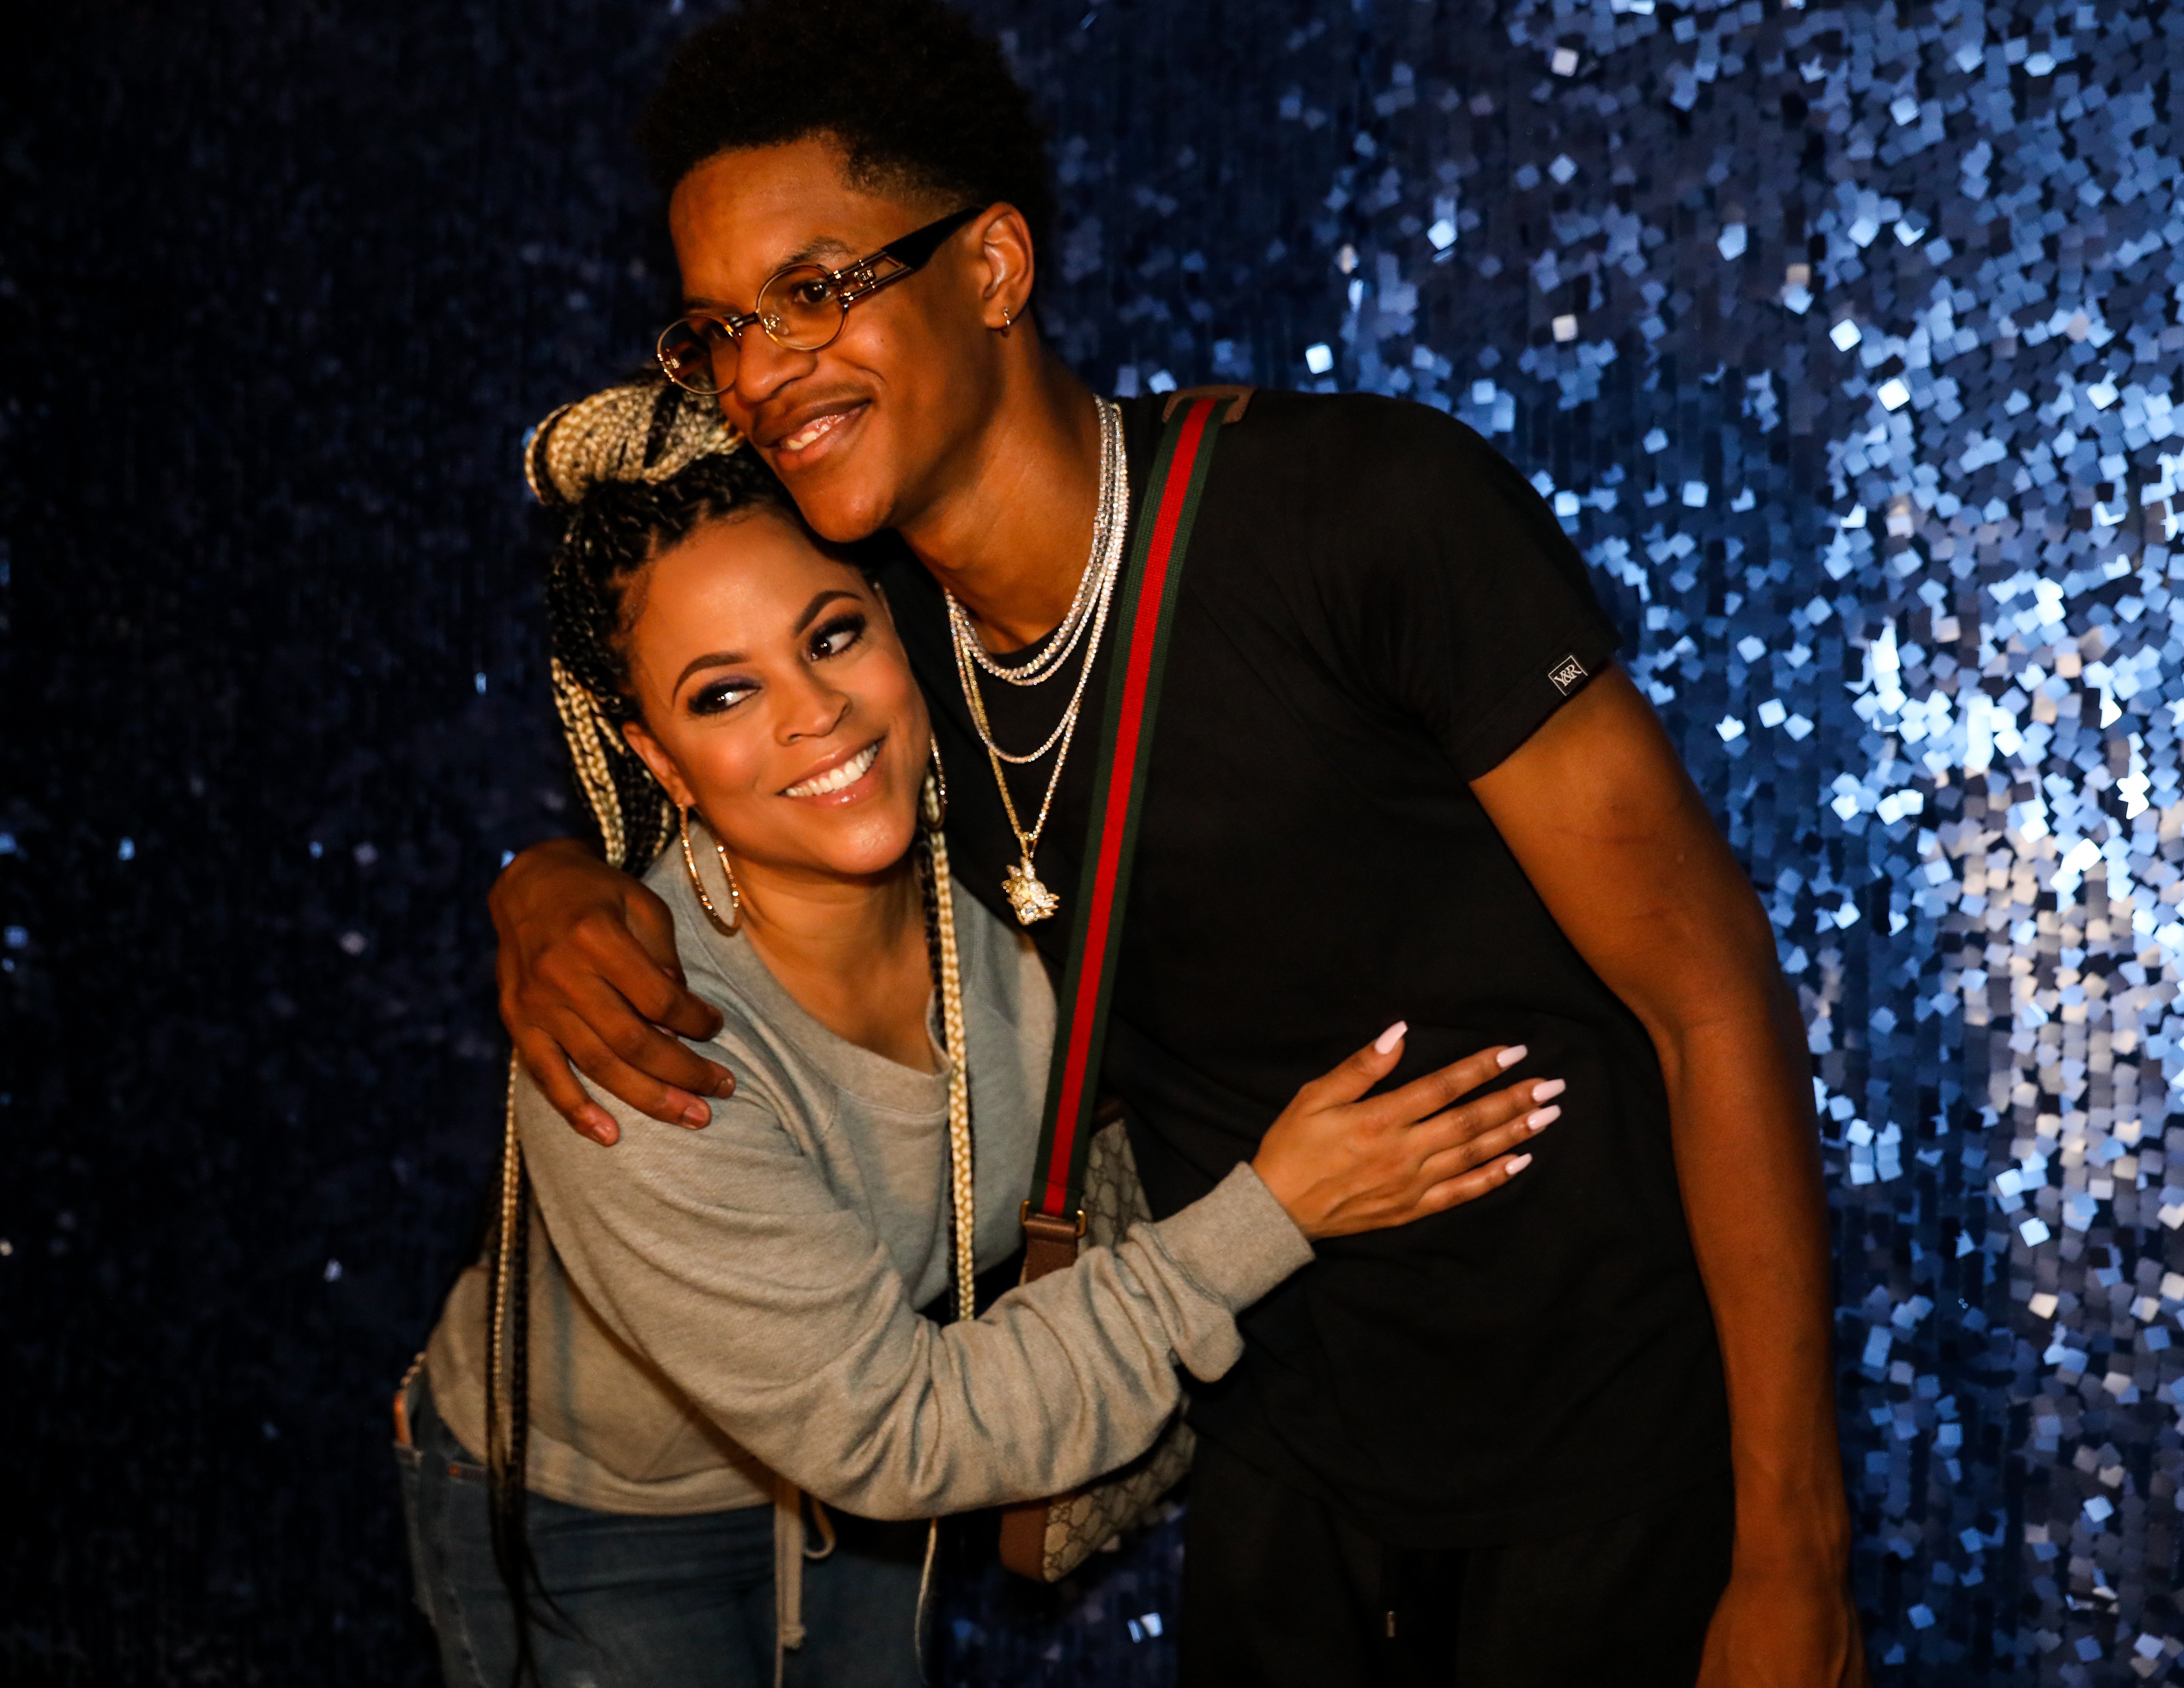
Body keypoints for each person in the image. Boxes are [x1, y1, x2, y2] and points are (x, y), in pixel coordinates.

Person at [490, 2, 1865, 1681]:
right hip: (1289, 1471)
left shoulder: (1366, 515)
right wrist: (538, 890)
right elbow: (658, 805)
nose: (766, 373)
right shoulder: (871, 663)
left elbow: (1712, 997)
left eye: (818, 289)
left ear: (994, 269)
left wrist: (1792, 1551)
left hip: (1599, 1462)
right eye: (720, 328)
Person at [400, 379, 1552, 1688]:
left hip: (860, 1503)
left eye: (831, 636)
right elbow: (897, 1431)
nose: (812, 714)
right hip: (599, 1512)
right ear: (654, 755)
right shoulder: (640, 1042)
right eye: (722, 696)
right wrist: (1271, 1214)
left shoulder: (1015, 868)